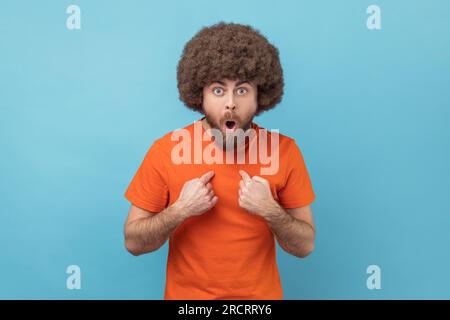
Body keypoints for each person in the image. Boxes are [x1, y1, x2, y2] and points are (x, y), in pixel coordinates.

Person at [123, 22, 316, 299]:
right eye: (217, 90)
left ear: (259, 96)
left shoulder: (284, 151)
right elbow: (133, 243)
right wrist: (180, 210)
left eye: (241, 90)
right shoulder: (165, 151)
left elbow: (304, 246)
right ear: (198, 95)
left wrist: (269, 209)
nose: (230, 103)